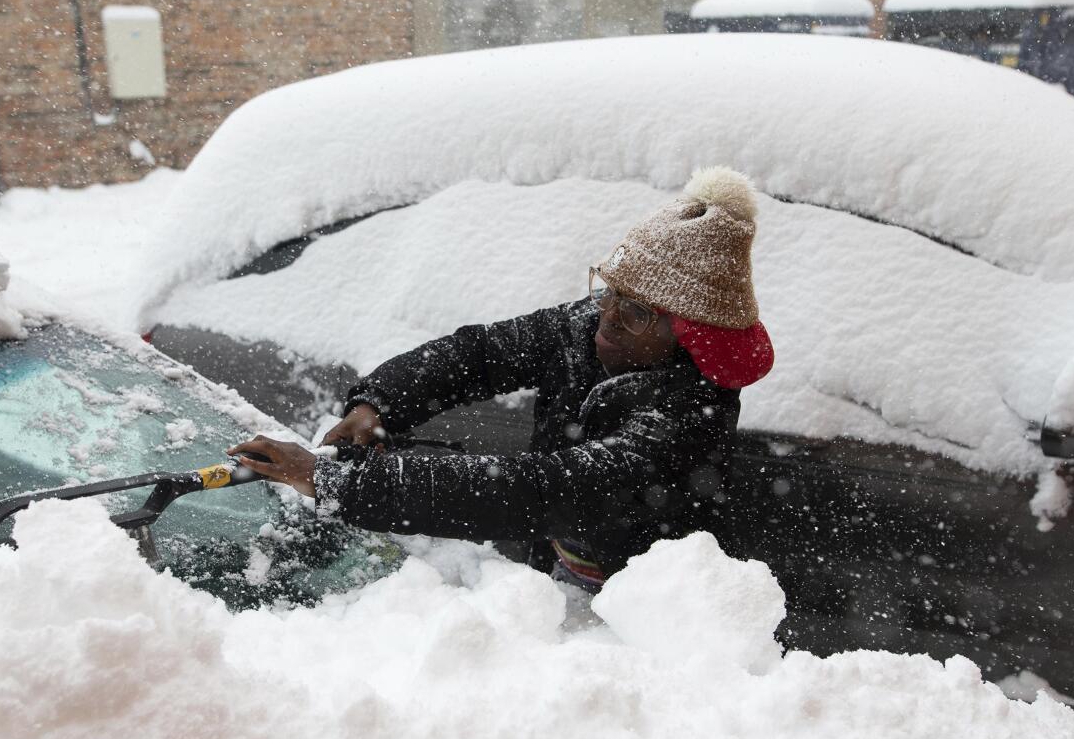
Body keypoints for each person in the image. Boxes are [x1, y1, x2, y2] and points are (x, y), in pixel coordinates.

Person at [230, 166, 774, 589]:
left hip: (648, 605)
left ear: (688, 334)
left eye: (636, 312)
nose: (607, 314)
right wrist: (380, 404)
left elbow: (539, 489)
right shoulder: (584, 327)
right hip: (558, 571)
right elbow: (480, 353)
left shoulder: (686, 414)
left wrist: (336, 483)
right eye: (608, 290)